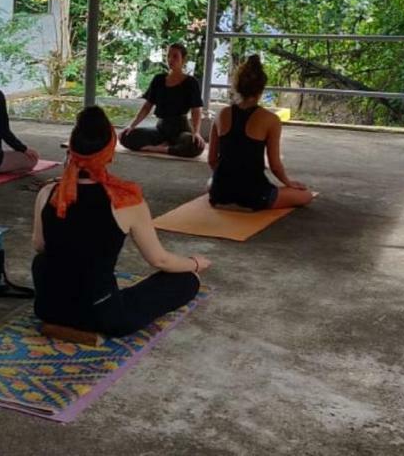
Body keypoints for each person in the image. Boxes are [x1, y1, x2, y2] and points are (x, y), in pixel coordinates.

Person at [32, 106, 207, 337]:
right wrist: (194, 263)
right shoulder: (125, 201)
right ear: (109, 151)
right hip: (102, 316)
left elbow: (40, 246)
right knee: (186, 280)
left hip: (48, 308)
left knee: (45, 261)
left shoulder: (49, 192)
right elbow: (160, 259)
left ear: (72, 149)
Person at [208, 55, 314, 210]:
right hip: (254, 195)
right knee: (306, 195)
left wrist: (227, 181)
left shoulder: (221, 114)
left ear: (237, 86)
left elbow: (212, 160)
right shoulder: (271, 120)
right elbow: (275, 166)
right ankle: (242, 198)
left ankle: (227, 193)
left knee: (211, 182)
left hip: (219, 194)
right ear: (261, 89)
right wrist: (289, 183)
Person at [120, 43, 206, 158]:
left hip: (180, 130)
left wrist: (196, 132)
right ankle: (168, 147)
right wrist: (131, 126)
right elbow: (147, 106)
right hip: (161, 129)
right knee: (126, 136)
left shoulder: (191, 82)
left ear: (184, 59)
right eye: (168, 56)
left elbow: (196, 109)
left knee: (196, 145)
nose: (171, 59)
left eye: (175, 56)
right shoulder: (159, 79)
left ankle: (162, 149)